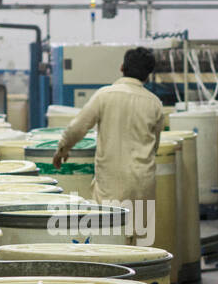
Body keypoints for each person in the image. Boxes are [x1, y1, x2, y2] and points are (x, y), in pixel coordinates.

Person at [54, 46, 165, 208]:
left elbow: (77, 128)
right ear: (148, 76)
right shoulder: (155, 103)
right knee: (140, 230)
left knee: (110, 229)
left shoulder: (104, 95)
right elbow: (154, 146)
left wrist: (62, 149)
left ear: (122, 67)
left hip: (112, 183)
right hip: (143, 182)